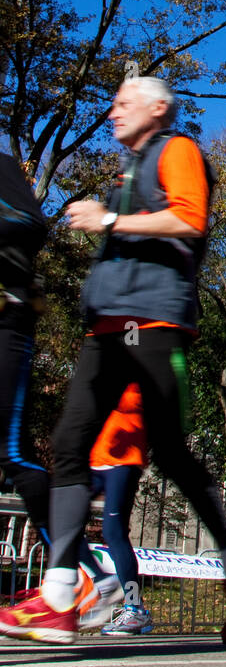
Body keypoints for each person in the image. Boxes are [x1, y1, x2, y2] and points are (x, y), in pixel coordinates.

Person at [0, 77, 226, 645]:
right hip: (107, 329)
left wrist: (109, 221)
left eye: (124, 102)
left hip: (154, 324)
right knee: (70, 445)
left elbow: (189, 219)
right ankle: (61, 595)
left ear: (159, 108)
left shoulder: (179, 150)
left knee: (171, 452)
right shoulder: (130, 170)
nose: (113, 111)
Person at [0, 152, 123, 628]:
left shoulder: (5, 167)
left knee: (11, 455)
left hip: (7, 322)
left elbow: (28, 226)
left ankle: (87, 573)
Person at [90, 383, 152, 635]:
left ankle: (135, 609)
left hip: (124, 456)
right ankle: (97, 581)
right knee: (62, 520)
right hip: (96, 456)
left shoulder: (138, 354)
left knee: (114, 533)